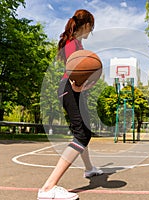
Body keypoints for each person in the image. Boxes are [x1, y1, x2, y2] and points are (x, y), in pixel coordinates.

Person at [38, 9, 103, 200]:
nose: (91, 31)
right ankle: (48, 188)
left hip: (72, 88)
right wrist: (77, 85)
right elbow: (72, 69)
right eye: (92, 27)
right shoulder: (72, 44)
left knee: (83, 129)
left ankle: (89, 169)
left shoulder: (75, 43)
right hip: (70, 87)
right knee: (82, 134)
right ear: (87, 25)